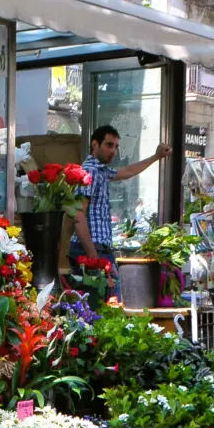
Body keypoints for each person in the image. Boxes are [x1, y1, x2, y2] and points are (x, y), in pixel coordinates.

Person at [70, 125, 172, 299]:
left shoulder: (100, 170)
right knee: (106, 306)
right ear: (95, 144)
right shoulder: (91, 171)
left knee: (106, 305)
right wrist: (94, 258)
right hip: (92, 250)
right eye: (109, 145)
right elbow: (78, 215)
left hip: (97, 250)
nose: (113, 151)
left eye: (116, 146)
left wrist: (156, 156)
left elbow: (127, 171)